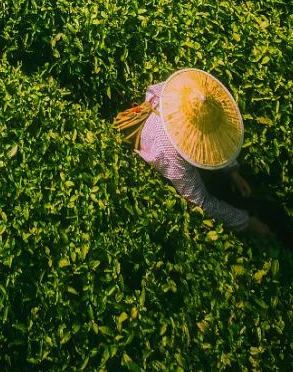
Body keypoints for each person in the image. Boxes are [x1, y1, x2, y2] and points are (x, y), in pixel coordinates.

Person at [115, 68, 279, 243]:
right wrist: (246, 222)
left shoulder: (187, 91)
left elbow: (215, 142)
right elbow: (199, 201)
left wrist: (232, 172)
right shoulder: (170, 150)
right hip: (157, 149)